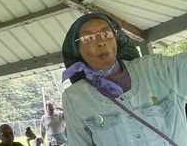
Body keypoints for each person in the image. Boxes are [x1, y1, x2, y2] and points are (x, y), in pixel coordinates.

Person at [61, 12, 187, 145]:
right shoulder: (74, 97)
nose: (100, 42)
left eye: (106, 34)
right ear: (76, 48)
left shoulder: (156, 68)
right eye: (88, 37)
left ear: (116, 38)